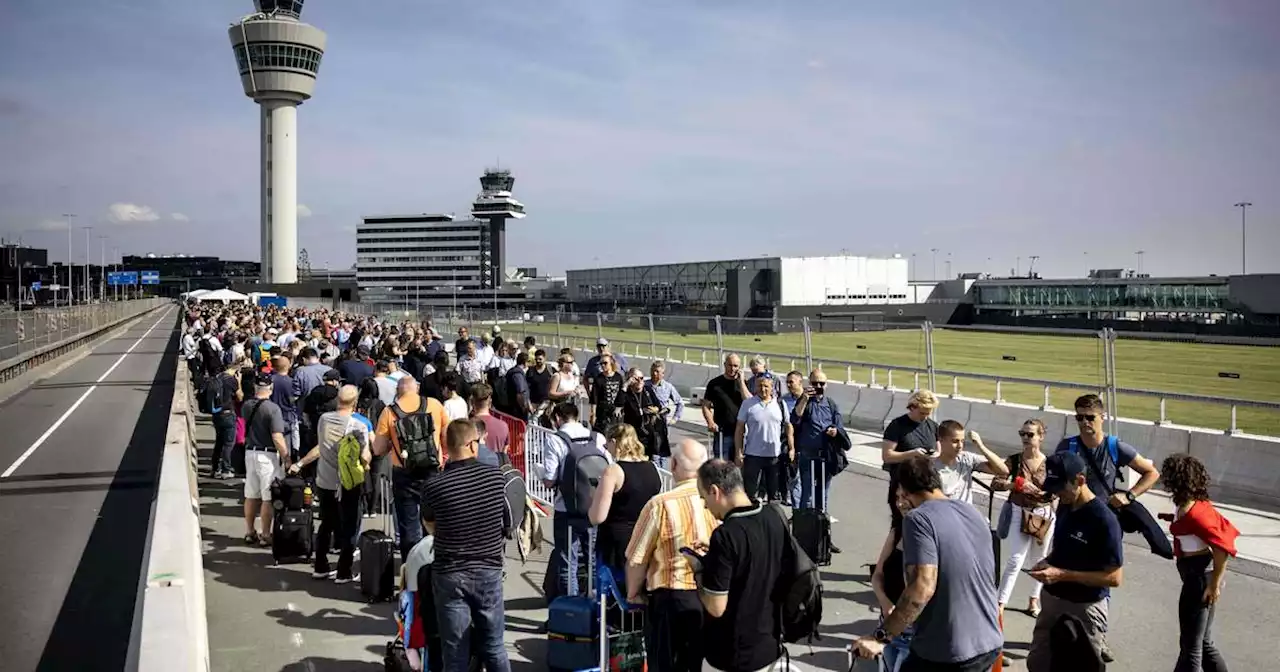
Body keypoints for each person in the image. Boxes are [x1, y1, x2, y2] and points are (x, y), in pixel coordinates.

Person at [852, 456, 1003, 671]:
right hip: (988, 642)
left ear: (904, 491)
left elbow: (922, 588)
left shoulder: (918, 519)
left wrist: (880, 637)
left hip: (949, 652)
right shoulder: (971, 511)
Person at [1055, 393, 1161, 663]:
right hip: (1070, 517)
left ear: (1102, 418)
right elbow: (1054, 477)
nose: (1084, 422)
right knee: (1065, 571)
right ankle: (1063, 628)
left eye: (1089, 417)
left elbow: (1152, 472)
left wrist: (1130, 495)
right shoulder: (1067, 445)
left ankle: (1098, 635)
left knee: (1103, 577)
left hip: (1103, 521)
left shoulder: (1115, 447)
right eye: (1078, 417)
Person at [423, 420, 512, 672]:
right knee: (494, 646)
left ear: (447, 447)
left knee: (454, 652)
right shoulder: (496, 477)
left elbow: (430, 525)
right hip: (488, 569)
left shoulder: (434, 485)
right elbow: (504, 519)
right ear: (473, 444)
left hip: (449, 572)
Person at [1024, 452, 1124, 672]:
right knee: (1038, 663)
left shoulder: (1104, 520)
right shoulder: (1065, 505)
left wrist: (1061, 574)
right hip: (1052, 602)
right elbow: (1063, 548)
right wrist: (1047, 561)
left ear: (1080, 480)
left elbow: (1114, 578)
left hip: (1084, 608)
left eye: (1061, 487)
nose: (1057, 493)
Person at [625, 438, 719, 672]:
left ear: (674, 463)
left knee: (664, 662)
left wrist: (633, 593)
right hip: (707, 595)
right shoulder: (715, 500)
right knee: (693, 661)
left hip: (669, 595)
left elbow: (637, 558)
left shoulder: (660, 504)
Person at [694, 460, 791, 672]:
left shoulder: (725, 535)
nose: (705, 506)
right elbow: (756, 557)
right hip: (771, 644)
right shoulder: (774, 516)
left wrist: (699, 570)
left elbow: (716, 607)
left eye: (704, 498)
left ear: (714, 491)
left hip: (732, 654)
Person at [1159, 454, 1239, 672]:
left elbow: (1222, 548)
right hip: (1200, 575)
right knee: (1203, 642)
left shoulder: (1193, 514)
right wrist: (1172, 519)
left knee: (1191, 646)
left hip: (1199, 579)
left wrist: (1214, 585)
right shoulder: (1193, 503)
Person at [288, 384, 371, 583]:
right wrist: (365, 464)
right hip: (347, 482)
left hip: (324, 480)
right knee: (350, 526)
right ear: (355, 403)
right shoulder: (358, 426)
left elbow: (321, 446)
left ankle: (320, 566)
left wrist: (300, 463)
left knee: (326, 523)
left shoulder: (324, 420)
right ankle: (344, 570)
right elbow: (366, 455)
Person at [372, 375, 449, 562]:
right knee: (433, 520)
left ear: (398, 391)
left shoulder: (389, 413)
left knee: (408, 524)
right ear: (417, 388)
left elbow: (378, 449)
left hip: (404, 472)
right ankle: (433, 564)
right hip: (432, 470)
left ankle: (411, 570)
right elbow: (447, 440)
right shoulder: (434, 405)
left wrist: (394, 443)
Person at [540, 401, 610, 601]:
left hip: (566, 509)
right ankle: (597, 607)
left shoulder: (555, 440)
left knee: (567, 561)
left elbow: (550, 480)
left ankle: (570, 609)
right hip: (594, 508)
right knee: (593, 560)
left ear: (557, 418)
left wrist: (540, 474)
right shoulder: (597, 438)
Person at [992, 419, 1057, 620]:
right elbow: (996, 482)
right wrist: (1015, 486)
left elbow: (1059, 490)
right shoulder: (1015, 460)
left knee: (1040, 560)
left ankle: (1033, 600)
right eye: (1023, 434)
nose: (1025, 438)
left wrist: (1044, 494)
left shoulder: (1051, 463)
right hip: (1018, 511)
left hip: (1044, 515)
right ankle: (999, 604)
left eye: (1030, 435)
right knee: (1015, 560)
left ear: (1041, 436)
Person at [588, 423, 663, 589]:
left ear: (615, 442)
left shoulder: (614, 471)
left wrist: (594, 498)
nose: (607, 448)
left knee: (613, 593)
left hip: (617, 543)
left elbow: (597, 516)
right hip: (645, 539)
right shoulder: (653, 468)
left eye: (608, 444)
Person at [241, 372, 292, 546]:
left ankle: (249, 531)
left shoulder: (246, 405)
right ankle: (265, 534)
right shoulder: (272, 409)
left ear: (255, 387)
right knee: (267, 497)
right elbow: (277, 436)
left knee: (250, 494)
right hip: (267, 455)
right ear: (270, 388)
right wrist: (286, 457)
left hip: (250, 452)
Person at [789, 369, 845, 523]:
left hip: (825, 456)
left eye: (822, 383)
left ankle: (822, 530)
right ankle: (802, 527)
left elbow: (839, 425)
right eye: (815, 383)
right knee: (807, 492)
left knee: (823, 493)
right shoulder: (805, 401)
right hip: (808, 455)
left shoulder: (831, 404)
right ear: (809, 384)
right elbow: (794, 418)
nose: (818, 386)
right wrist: (805, 398)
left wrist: (835, 431)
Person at [870, 489, 916, 672]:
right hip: (888, 628)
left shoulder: (931, 540)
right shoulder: (897, 531)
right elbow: (877, 575)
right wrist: (885, 602)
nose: (900, 503)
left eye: (906, 496)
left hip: (913, 636)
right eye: (897, 498)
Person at [882, 390, 940, 528]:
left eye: (928, 413)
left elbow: (939, 450)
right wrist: (912, 454)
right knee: (901, 527)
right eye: (922, 413)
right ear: (912, 407)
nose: (925, 417)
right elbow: (887, 456)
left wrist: (934, 455)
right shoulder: (897, 425)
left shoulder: (932, 426)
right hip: (902, 485)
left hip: (925, 486)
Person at [734, 374, 790, 502]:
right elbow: (739, 429)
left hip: (774, 456)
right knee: (750, 492)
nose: (763, 389)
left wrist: (791, 448)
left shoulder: (781, 404)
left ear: (772, 388)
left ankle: (773, 518)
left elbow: (788, 426)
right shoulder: (748, 404)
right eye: (760, 386)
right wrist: (738, 452)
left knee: (773, 493)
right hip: (753, 455)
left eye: (766, 386)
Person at [933, 420, 1009, 505]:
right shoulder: (930, 467)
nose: (960, 446)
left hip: (966, 515)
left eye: (962, 441)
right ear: (941, 440)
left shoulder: (967, 459)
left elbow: (1003, 470)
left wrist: (981, 446)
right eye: (955, 441)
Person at [702, 354, 748, 461]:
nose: (732, 369)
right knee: (722, 465)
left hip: (742, 432)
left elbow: (749, 401)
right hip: (723, 432)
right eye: (730, 365)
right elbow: (706, 405)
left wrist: (741, 382)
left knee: (740, 465)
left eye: (736, 366)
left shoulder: (744, 384)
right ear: (724, 365)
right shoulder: (714, 384)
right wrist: (710, 422)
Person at [210, 356, 244, 479]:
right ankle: (226, 469)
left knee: (219, 441)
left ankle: (215, 468)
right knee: (229, 443)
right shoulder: (231, 380)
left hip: (216, 413)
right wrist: (239, 382)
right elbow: (240, 397)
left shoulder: (217, 377)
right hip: (228, 413)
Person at [645, 361, 682, 470]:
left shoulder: (668, 387)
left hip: (663, 423)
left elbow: (680, 403)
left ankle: (663, 474)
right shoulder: (646, 386)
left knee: (663, 453)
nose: (655, 374)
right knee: (653, 453)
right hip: (649, 423)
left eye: (657, 372)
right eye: (653, 371)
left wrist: (675, 418)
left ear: (663, 374)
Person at [588, 353, 625, 433]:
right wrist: (593, 414)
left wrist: (619, 408)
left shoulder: (618, 377)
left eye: (605, 363)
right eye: (601, 363)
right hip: (602, 413)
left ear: (611, 363)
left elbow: (621, 395)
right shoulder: (599, 378)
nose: (603, 365)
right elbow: (594, 398)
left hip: (615, 414)